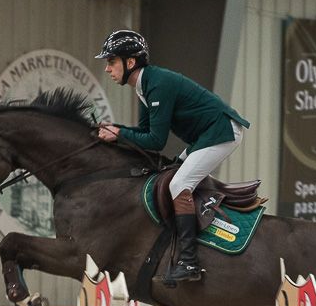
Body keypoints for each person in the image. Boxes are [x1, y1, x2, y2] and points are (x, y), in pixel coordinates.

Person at [95, 29, 250, 284]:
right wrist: (117, 130)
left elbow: (156, 141)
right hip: (206, 135)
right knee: (172, 172)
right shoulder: (144, 86)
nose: (107, 68)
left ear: (130, 62)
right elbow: (144, 132)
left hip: (223, 131)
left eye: (111, 61)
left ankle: (189, 262)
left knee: (179, 184)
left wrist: (119, 133)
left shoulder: (157, 84)